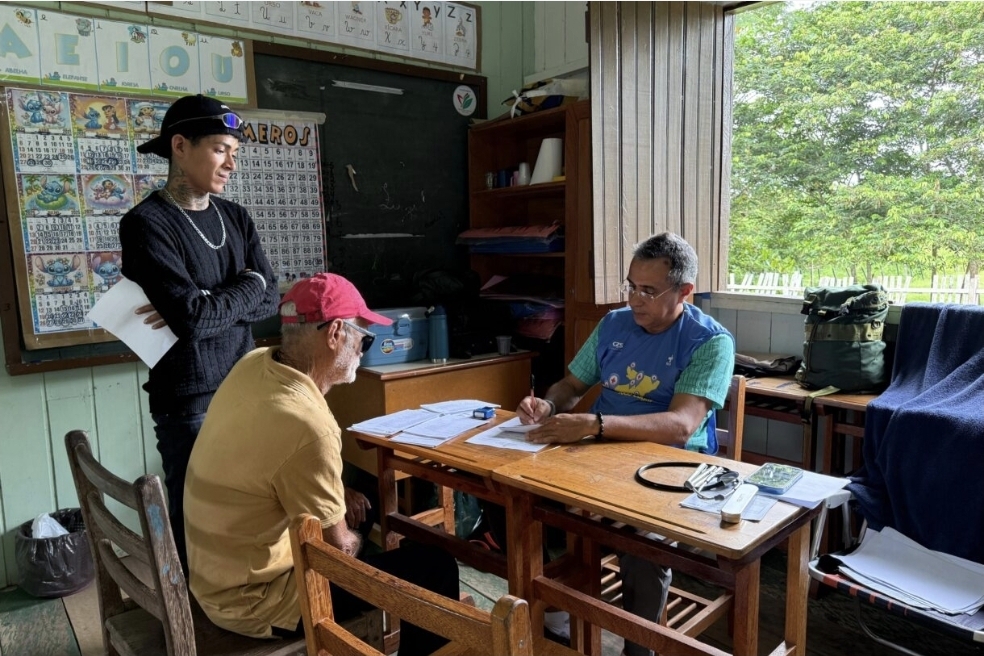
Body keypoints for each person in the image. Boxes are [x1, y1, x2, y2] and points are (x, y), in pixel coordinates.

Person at [183, 273, 459, 654]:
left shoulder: (253, 364)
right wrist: (355, 541)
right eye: (364, 339)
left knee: (366, 503)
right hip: (260, 601)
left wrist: (340, 501)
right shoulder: (309, 426)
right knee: (435, 567)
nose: (364, 352)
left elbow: (271, 460)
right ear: (335, 335)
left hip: (214, 574)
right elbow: (339, 554)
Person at [517, 232, 736, 656]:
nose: (635, 299)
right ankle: (555, 615)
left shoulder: (710, 342)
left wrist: (594, 424)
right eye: (631, 286)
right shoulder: (614, 324)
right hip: (600, 451)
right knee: (528, 499)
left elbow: (679, 427)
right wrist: (546, 405)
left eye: (649, 291)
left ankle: (639, 647)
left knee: (642, 540)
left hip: (673, 467)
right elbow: (570, 385)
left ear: (685, 292)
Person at [118, 94, 279, 569]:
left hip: (246, 388)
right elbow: (191, 320)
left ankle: (243, 605)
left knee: (250, 511)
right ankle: (194, 622)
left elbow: (272, 298)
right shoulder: (146, 224)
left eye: (235, 151)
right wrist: (245, 285)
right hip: (189, 402)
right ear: (180, 146)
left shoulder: (236, 218)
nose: (231, 163)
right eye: (220, 149)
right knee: (196, 519)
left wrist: (215, 300)